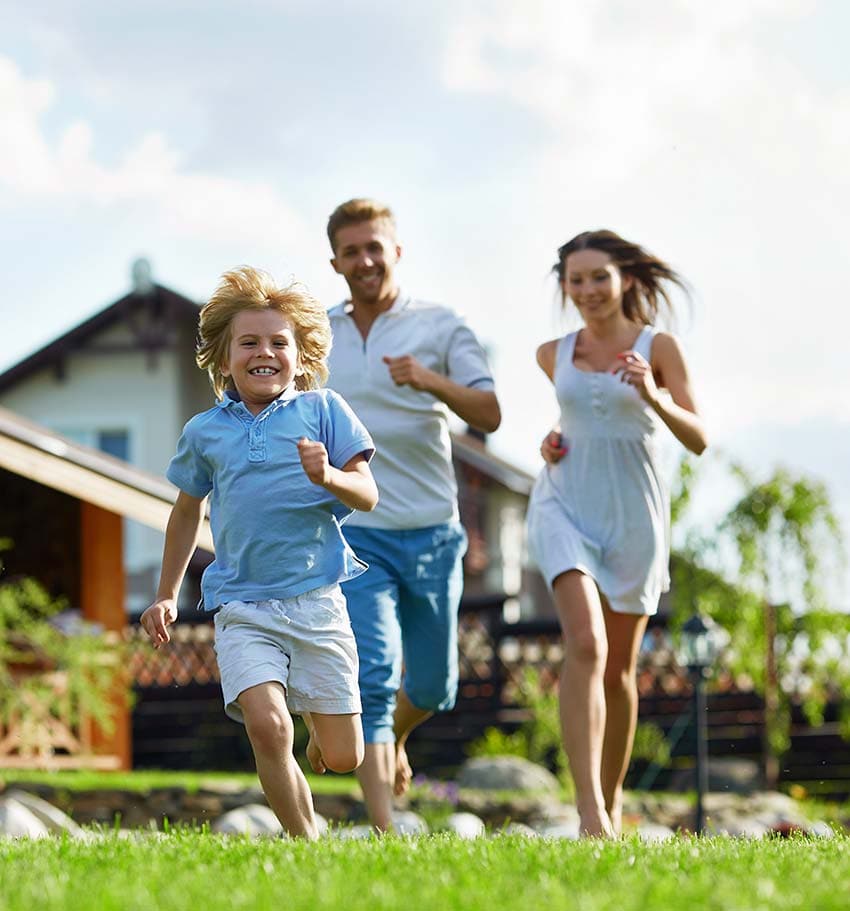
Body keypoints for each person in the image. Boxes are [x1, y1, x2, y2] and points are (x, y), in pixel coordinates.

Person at [139, 266, 378, 839]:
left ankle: (324, 728)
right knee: (268, 728)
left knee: (345, 757)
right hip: (243, 605)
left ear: (300, 356)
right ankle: (307, 841)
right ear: (224, 359)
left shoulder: (324, 410)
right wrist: (167, 594)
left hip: (317, 600)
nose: (264, 352)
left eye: (278, 342)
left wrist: (330, 478)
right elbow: (186, 511)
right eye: (249, 342)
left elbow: (367, 494)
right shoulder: (205, 431)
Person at [324, 198, 502, 831]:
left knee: (433, 687)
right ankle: (383, 827)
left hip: (431, 531)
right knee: (373, 674)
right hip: (356, 530)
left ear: (396, 251)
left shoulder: (440, 325)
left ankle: (394, 738)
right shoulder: (320, 334)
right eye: (352, 250)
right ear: (336, 261)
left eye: (376, 247)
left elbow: (488, 415)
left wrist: (431, 382)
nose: (365, 260)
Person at [526, 230, 708, 837]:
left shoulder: (660, 346)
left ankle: (611, 797)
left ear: (625, 278)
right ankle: (589, 813)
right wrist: (549, 441)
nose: (587, 291)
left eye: (597, 277)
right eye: (575, 281)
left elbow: (698, 437)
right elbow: (574, 418)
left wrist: (653, 395)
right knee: (586, 645)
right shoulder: (552, 352)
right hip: (564, 505)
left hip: (633, 514)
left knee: (618, 671)